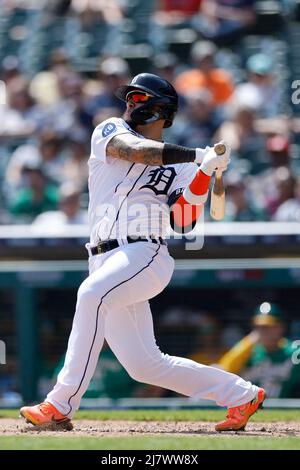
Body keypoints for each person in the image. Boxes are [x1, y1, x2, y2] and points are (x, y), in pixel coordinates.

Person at [20, 73, 265, 432]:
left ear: (163, 111)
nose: (131, 104)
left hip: (144, 253)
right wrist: (201, 155)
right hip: (103, 257)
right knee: (145, 365)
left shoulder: (184, 167)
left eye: (140, 99)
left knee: (91, 295)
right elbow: (136, 152)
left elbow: (182, 222)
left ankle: (59, 404)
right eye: (131, 98)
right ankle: (241, 394)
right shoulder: (110, 129)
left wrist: (203, 175)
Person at [218, 302, 300, 398]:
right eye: (259, 327)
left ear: (280, 327)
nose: (263, 331)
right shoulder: (248, 351)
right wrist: (249, 341)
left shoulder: (292, 352)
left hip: (283, 408)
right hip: (249, 408)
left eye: (268, 326)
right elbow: (223, 370)